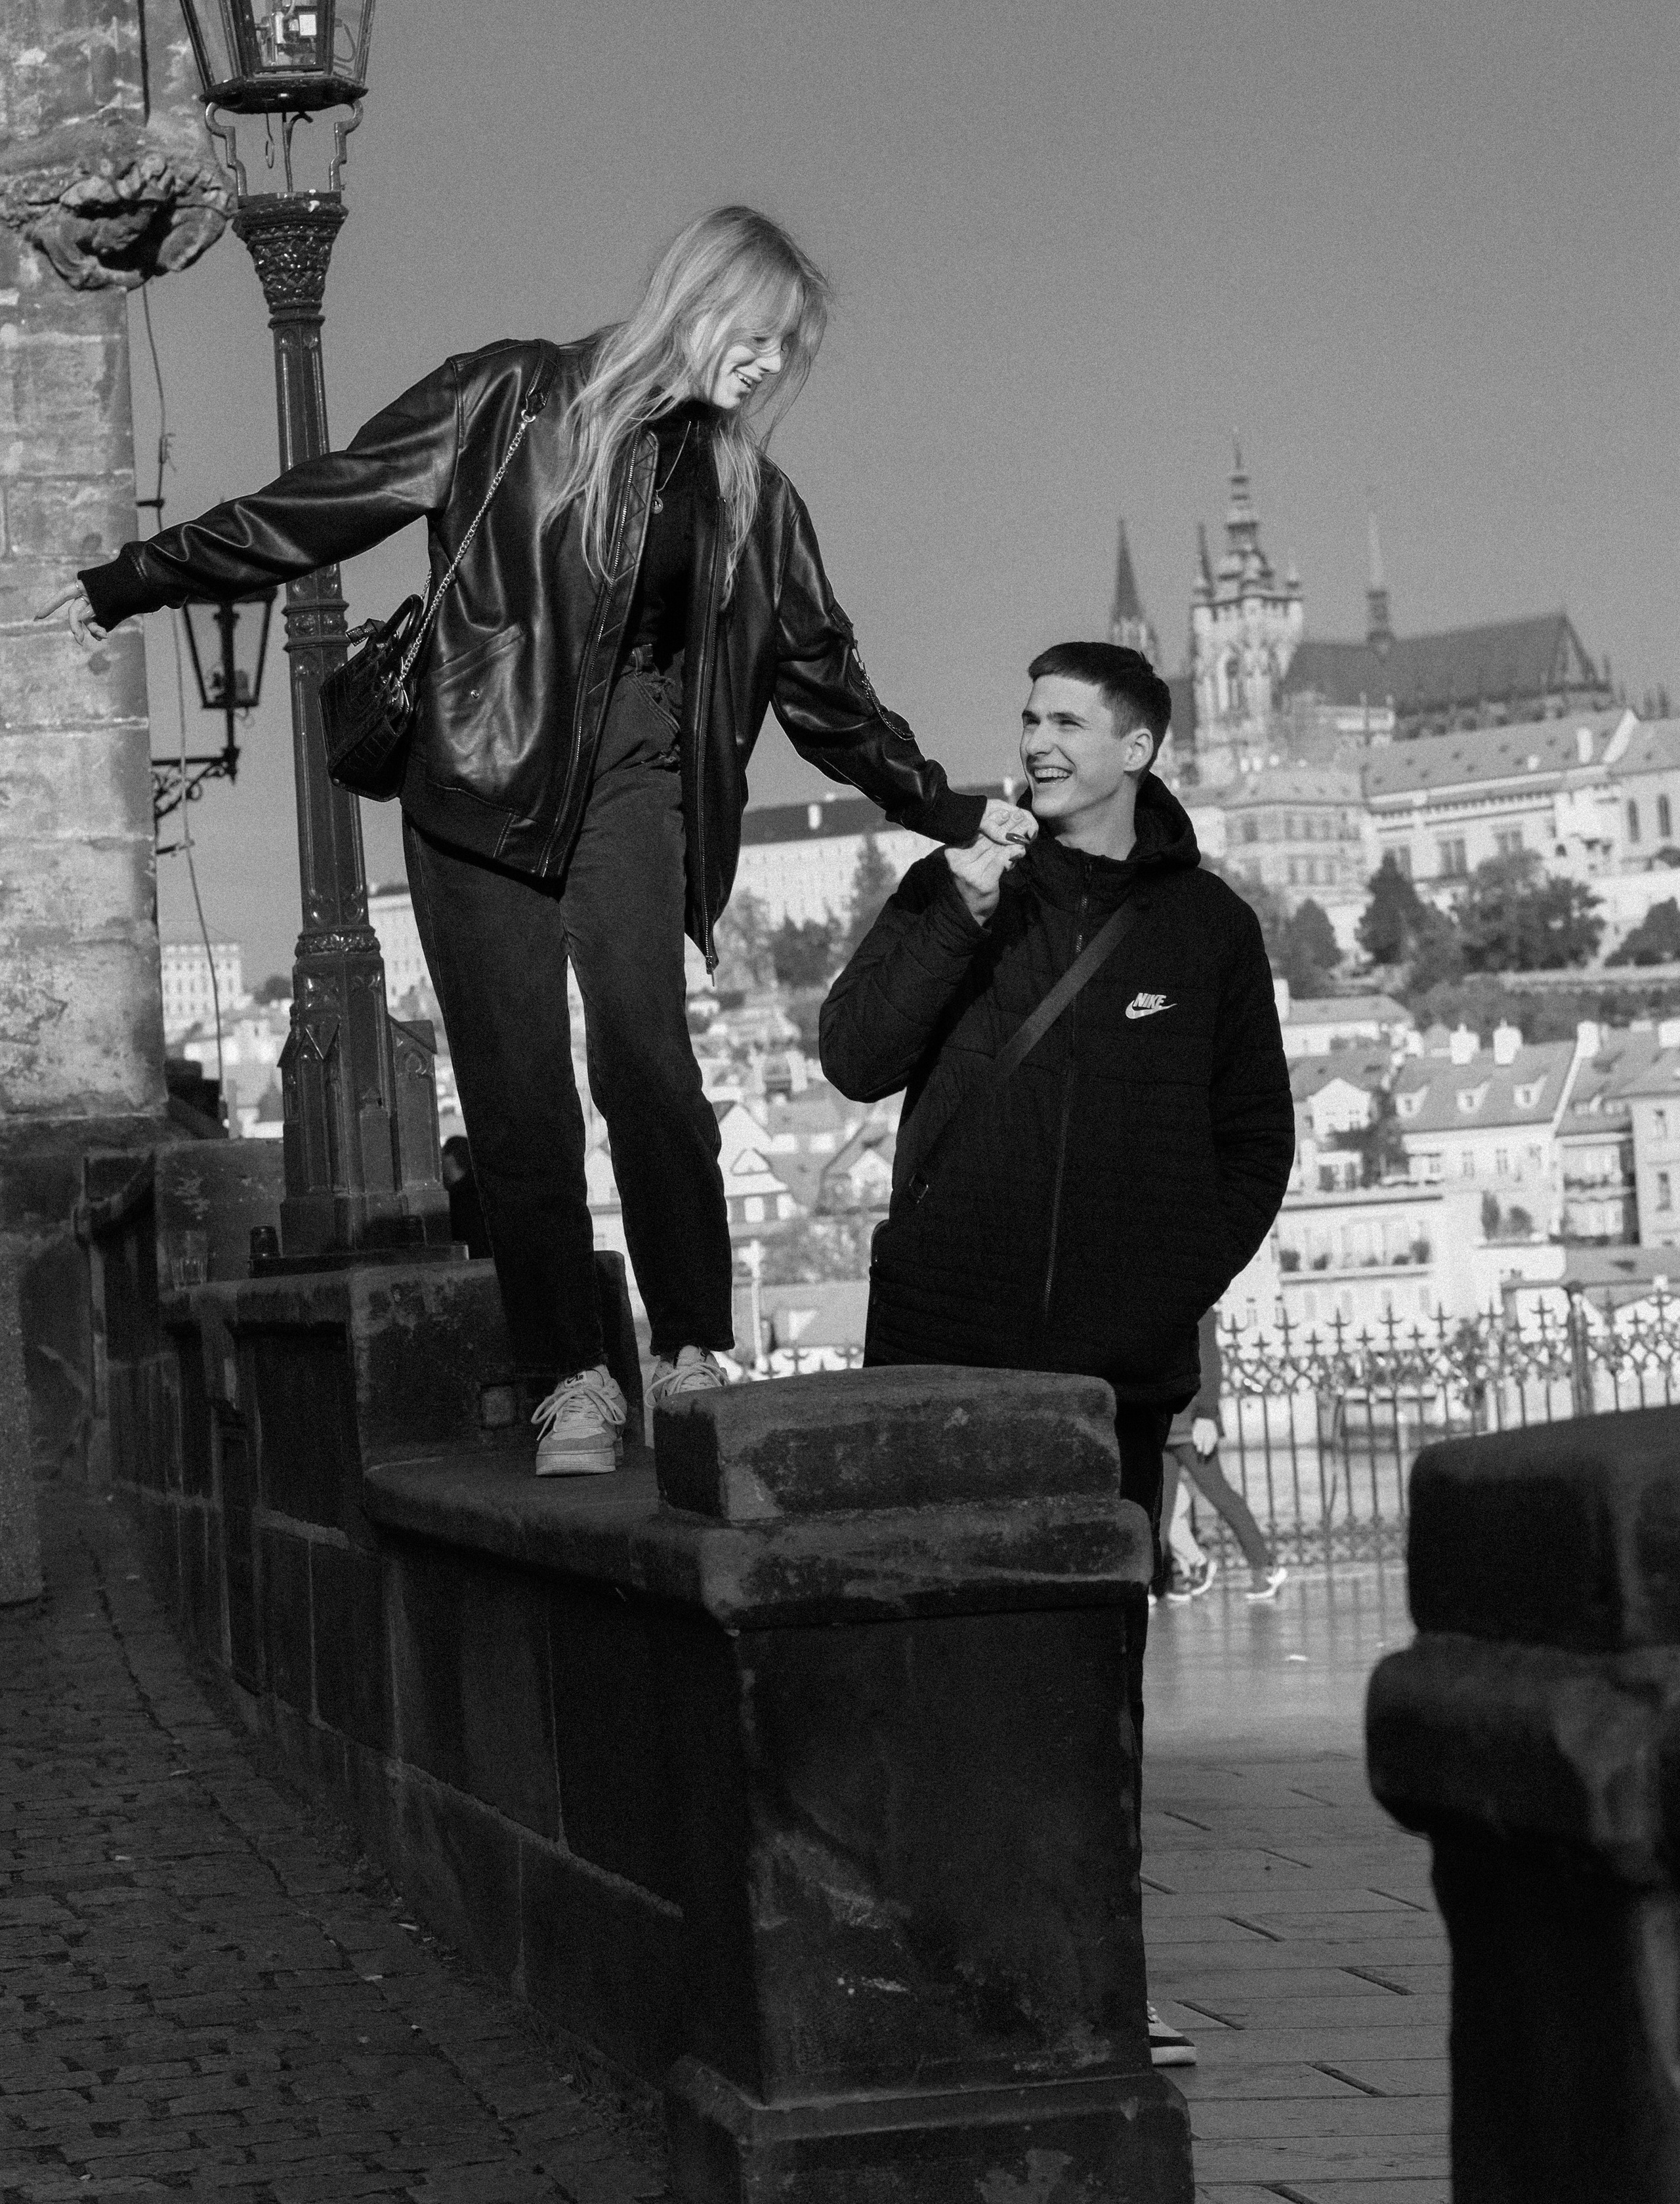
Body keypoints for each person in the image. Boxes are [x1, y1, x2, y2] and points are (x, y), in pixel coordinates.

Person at [41, 205, 1031, 1475]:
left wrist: (942, 806)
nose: (774, 367)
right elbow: (323, 504)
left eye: (793, 352)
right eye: (765, 336)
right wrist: (137, 578)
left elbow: (825, 686)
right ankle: (571, 1379)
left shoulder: (750, 494)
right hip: (475, 781)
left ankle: (687, 1351)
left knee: (648, 1067)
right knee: (519, 1106)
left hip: (638, 779)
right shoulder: (509, 398)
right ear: (703, 300)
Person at [818, 638, 1294, 2069]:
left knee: (1093, 1686)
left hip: (1108, 1372)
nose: (1030, 741)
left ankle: (1093, 1972)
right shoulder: (956, 882)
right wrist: (952, 910)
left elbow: (1251, 1142)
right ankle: (927, 1968)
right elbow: (853, 1053)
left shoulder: (1205, 929)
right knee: (929, 1666)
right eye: (1022, 713)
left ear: (1135, 749)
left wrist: (1155, 1299)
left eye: (1064, 721)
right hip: (940, 1349)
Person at [1160, 1312, 1286, 1604]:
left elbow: (1210, 1363)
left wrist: (1207, 1415)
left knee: (1221, 1496)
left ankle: (1266, 1568)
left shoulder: (1199, 1308)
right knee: (1160, 1510)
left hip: (1191, 1426)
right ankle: (1158, 1584)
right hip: (1164, 1423)